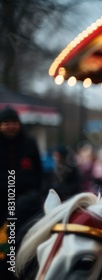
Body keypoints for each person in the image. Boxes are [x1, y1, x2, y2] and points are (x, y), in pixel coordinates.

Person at [0, 106, 43, 280]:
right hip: (2, 203)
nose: (11, 126)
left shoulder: (29, 143)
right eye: (7, 123)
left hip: (26, 202)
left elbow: (38, 171)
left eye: (14, 122)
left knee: (22, 239)